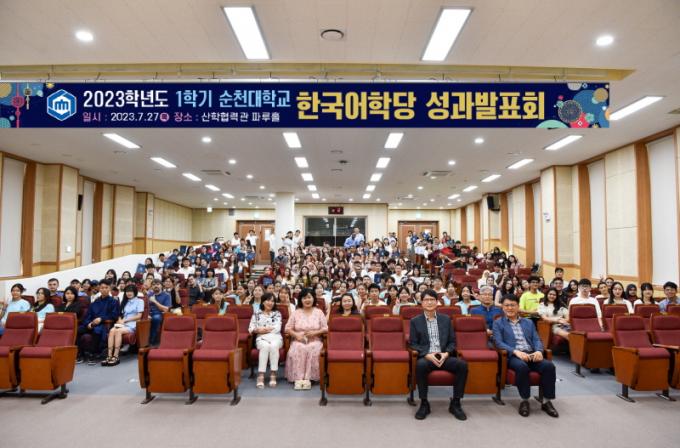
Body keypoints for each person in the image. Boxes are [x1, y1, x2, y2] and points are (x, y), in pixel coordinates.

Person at [493, 294, 559, 418]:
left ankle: (546, 401)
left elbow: (536, 339)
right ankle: (525, 400)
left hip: (531, 353)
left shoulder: (528, 322)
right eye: (506, 305)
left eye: (513, 305)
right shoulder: (498, 323)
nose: (510, 308)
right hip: (513, 356)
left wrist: (539, 351)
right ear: (502, 307)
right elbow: (498, 342)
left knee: (549, 366)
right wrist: (516, 352)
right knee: (522, 367)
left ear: (518, 306)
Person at [409, 289, 468, 421]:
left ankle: (456, 403)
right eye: (426, 300)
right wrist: (426, 354)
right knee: (420, 366)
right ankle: (424, 403)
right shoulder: (415, 321)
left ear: (437, 302)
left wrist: (446, 354)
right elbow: (413, 343)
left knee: (462, 365)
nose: (429, 302)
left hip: (444, 356)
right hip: (427, 357)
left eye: (432, 300)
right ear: (421, 303)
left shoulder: (446, 319)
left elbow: (452, 342)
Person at [285, 288, 328, 390]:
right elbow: (287, 328)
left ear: (313, 298)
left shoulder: (319, 312)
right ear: (301, 300)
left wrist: (315, 332)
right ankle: (299, 378)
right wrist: (296, 335)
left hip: (315, 340)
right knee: (298, 348)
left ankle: (309, 378)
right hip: (299, 340)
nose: (307, 300)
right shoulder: (296, 313)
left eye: (309, 297)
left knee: (312, 348)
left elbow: (325, 328)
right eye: (304, 298)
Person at [77, 279, 120, 364]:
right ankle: (80, 354)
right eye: (102, 288)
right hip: (92, 324)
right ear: (99, 289)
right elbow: (88, 315)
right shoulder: (95, 302)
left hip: (104, 324)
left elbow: (114, 315)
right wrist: (88, 323)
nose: (104, 289)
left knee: (97, 330)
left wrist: (101, 319)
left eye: (106, 288)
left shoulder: (114, 302)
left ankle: (92, 354)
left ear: (109, 289)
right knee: (79, 329)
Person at [103, 284, 144, 366]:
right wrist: (119, 320)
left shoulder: (140, 301)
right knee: (112, 331)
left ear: (135, 292)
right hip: (123, 323)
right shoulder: (125, 301)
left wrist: (125, 320)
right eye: (127, 291)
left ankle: (116, 356)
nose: (129, 293)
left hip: (133, 324)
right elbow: (121, 314)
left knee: (118, 331)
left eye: (131, 291)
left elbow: (139, 316)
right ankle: (109, 355)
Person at [249, 292, 283, 388]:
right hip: (261, 338)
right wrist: (257, 330)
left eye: (272, 301)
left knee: (273, 346)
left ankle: (273, 374)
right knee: (265, 346)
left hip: (276, 337)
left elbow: (277, 328)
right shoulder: (257, 313)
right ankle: (261, 375)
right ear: (263, 302)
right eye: (268, 300)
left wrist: (262, 330)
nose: (270, 303)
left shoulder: (277, 313)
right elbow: (251, 327)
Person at [148, 279, 171, 345]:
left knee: (156, 318)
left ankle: (152, 341)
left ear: (161, 286)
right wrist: (147, 314)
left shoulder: (166, 295)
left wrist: (154, 301)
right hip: (148, 313)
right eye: (154, 285)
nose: (156, 286)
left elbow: (166, 309)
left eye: (158, 284)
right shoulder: (149, 295)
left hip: (159, 313)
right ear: (151, 287)